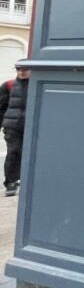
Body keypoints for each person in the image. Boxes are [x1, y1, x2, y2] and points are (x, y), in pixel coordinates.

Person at [0, 63, 30, 197]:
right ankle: (11, 182)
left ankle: (25, 179)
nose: (22, 72)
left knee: (29, 154)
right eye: (19, 69)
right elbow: (1, 107)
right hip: (12, 126)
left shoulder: (38, 84)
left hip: (30, 126)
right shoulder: (8, 85)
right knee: (14, 152)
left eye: (25, 69)